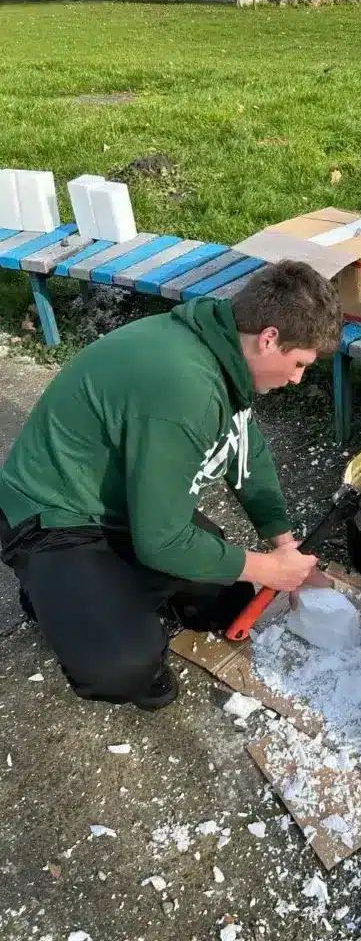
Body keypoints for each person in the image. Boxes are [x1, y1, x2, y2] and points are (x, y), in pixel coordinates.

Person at [0, 259, 342, 711]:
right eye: (298, 364)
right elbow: (161, 541)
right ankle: (50, 594)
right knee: (124, 665)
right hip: (49, 516)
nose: (297, 379)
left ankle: (96, 594)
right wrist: (267, 570)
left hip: (116, 500)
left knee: (223, 597)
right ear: (269, 338)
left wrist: (283, 545)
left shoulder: (220, 347)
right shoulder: (185, 389)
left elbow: (247, 452)